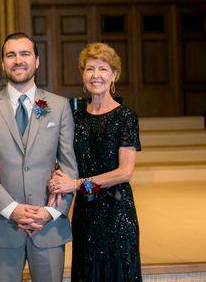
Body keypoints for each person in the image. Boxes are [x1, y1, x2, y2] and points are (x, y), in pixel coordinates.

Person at [0, 32, 78, 282]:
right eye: (11, 55)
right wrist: (12, 209)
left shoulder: (59, 106)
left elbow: (70, 168)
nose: (18, 60)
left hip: (48, 225)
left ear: (37, 61)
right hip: (3, 224)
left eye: (24, 54)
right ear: (3, 62)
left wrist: (51, 211)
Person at [48, 42, 142, 282]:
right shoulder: (75, 116)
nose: (96, 75)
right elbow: (66, 158)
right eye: (90, 69)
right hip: (86, 213)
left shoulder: (126, 117)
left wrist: (77, 184)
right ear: (83, 75)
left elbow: (124, 173)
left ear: (114, 76)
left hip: (117, 212)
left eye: (103, 69)